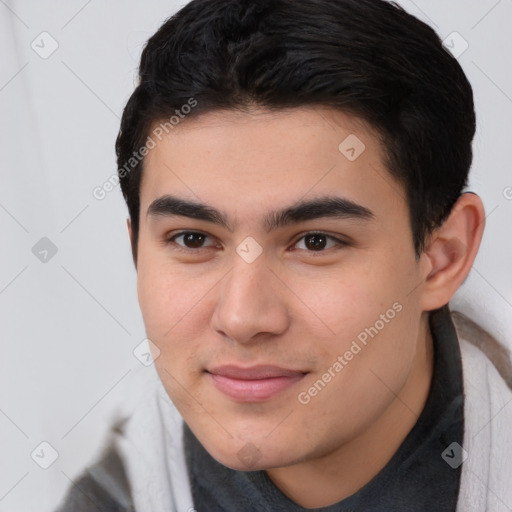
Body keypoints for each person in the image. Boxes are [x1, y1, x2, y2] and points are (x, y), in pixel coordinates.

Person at [55, 0, 512, 510]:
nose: (242, 317)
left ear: (442, 257)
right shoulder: (109, 495)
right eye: (193, 240)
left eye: (315, 242)